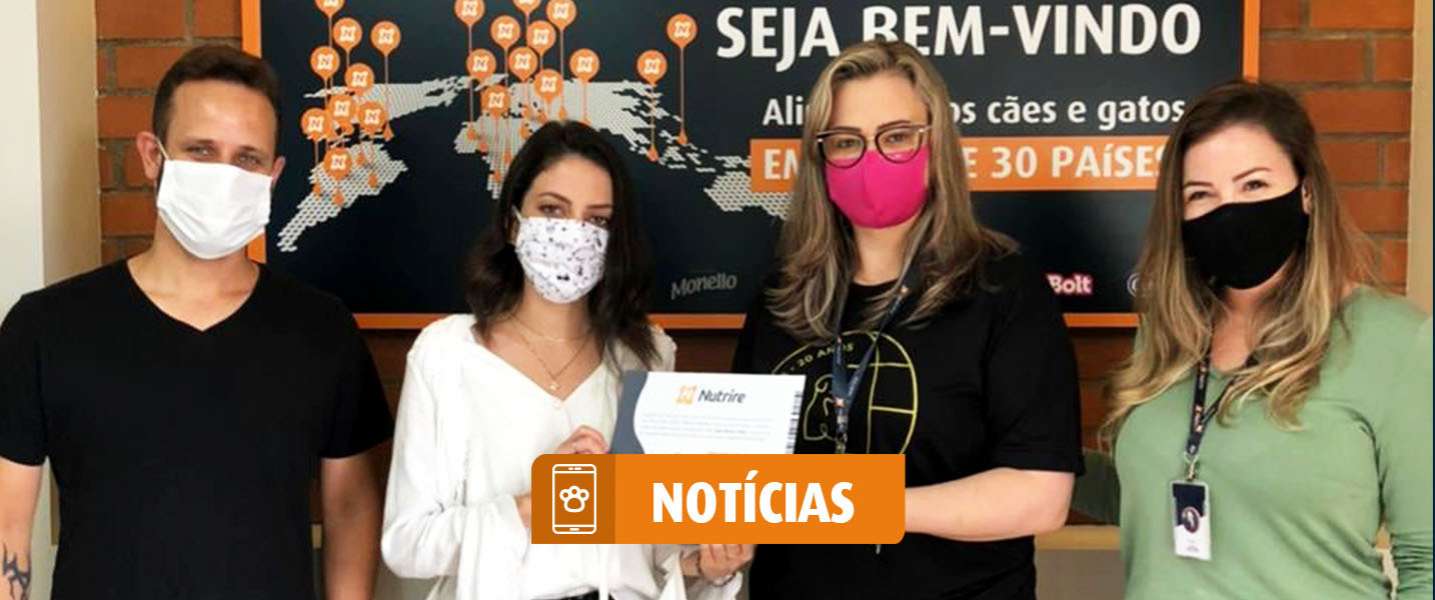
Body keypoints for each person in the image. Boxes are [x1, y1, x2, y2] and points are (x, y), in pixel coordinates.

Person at [0, 45, 393, 599]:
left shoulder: (322, 331)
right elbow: (6, 524)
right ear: (152, 155)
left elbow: (350, 510)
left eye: (247, 159)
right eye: (201, 150)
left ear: (273, 176)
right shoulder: (45, 327)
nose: (223, 175)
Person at [731, 40, 1083, 599]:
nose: (871, 158)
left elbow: (1040, 496)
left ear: (935, 143)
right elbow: (740, 477)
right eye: (846, 141)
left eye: (896, 136)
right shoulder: (781, 297)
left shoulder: (1003, 289)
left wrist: (861, 504)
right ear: (820, 158)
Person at [1073, 81, 1432, 598]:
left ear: (1307, 192)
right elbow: (1143, 497)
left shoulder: (1396, 341)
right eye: (1201, 194)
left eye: (1254, 185)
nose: (1230, 210)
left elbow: (1427, 561)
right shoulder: (1170, 333)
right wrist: (1023, 451)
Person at [380, 121, 752, 600]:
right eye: (553, 210)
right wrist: (535, 504)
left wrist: (703, 564)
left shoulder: (649, 356)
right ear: (513, 221)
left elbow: (650, 552)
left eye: (597, 220)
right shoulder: (446, 354)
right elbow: (407, 545)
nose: (573, 233)